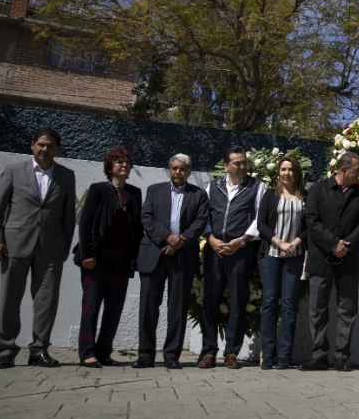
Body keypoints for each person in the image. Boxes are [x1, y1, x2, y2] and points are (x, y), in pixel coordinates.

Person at [0, 127, 77, 369]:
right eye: (41, 144)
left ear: (57, 150)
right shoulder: (14, 171)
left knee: (46, 302)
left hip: (51, 249)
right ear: (32, 145)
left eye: (50, 146)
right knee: (9, 299)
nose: (45, 149)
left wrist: (64, 247)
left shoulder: (66, 176)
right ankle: (5, 350)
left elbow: (68, 217)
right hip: (14, 246)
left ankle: (39, 350)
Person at [135, 153, 209, 370]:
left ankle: (171, 355)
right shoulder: (154, 190)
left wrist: (179, 242)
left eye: (183, 169)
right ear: (169, 169)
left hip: (182, 256)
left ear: (189, 171)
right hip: (154, 255)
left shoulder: (199, 195)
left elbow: (200, 222)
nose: (178, 172)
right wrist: (167, 237)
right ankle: (146, 354)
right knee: (148, 307)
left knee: (177, 308)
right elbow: (146, 217)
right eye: (174, 168)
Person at [301, 152, 359, 371]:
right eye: (356, 169)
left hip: (348, 260)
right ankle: (318, 355)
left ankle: (342, 356)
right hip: (321, 258)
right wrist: (333, 243)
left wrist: (347, 245)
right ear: (343, 169)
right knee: (318, 309)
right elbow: (312, 221)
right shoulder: (318, 189)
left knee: (347, 310)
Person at [198, 145, 266, 369]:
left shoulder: (257, 187)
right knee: (210, 300)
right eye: (237, 163)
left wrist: (242, 241)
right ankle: (208, 351)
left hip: (240, 250)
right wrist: (211, 239)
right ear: (226, 165)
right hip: (215, 250)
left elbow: (260, 218)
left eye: (244, 162)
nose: (243, 166)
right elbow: (204, 215)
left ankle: (231, 352)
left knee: (238, 301)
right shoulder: (213, 186)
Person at [75, 147, 143, 367]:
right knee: (91, 305)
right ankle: (87, 353)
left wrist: (134, 256)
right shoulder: (98, 190)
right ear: (110, 167)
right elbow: (86, 223)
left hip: (122, 257)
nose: (123, 165)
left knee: (114, 307)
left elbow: (138, 228)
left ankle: (104, 351)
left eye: (127, 162)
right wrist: (88, 253)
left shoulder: (134, 193)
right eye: (118, 162)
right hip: (98, 255)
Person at [256, 155, 308, 370]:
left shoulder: (305, 196)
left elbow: (309, 225)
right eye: (283, 169)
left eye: (290, 169)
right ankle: (267, 354)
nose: (286, 173)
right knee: (269, 302)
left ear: (297, 173)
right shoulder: (270, 195)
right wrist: (279, 243)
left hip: (293, 257)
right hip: (270, 254)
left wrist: (293, 244)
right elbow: (261, 224)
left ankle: (285, 356)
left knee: (288, 305)